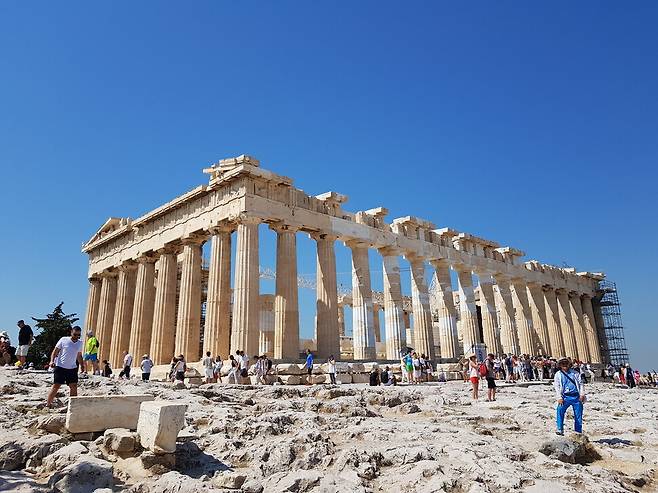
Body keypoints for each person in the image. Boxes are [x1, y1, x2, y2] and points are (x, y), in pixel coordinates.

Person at [46, 326, 84, 407]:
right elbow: (55, 351)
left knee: (73, 386)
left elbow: (79, 355)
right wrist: (52, 361)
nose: (76, 337)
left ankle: (73, 405)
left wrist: (82, 365)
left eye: (78, 335)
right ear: (71, 332)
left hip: (72, 368)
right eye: (75, 334)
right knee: (56, 386)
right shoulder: (63, 340)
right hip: (60, 367)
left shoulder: (80, 343)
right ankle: (48, 404)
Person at [554, 357, 585, 435]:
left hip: (576, 397)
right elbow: (557, 386)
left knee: (578, 415)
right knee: (560, 410)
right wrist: (559, 397)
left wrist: (582, 394)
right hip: (565, 397)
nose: (564, 365)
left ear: (569, 364)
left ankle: (578, 432)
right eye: (562, 364)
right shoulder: (558, 374)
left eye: (566, 363)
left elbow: (581, 384)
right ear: (560, 365)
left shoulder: (575, 373)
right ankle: (560, 429)